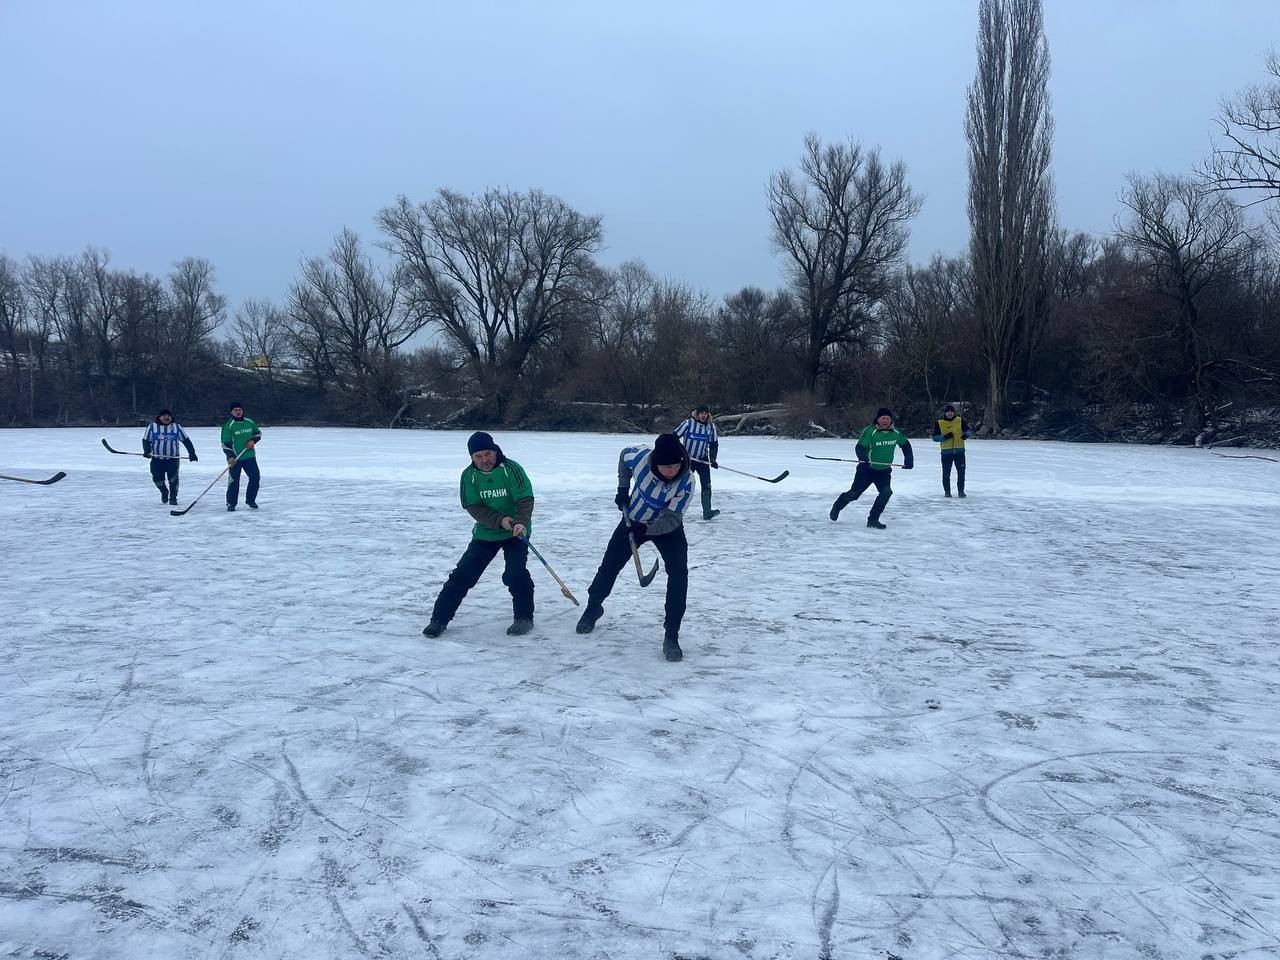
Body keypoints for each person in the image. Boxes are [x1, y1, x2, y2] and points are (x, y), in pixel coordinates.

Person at [576, 433, 695, 662]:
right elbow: (623, 457)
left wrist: (645, 530)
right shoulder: (641, 458)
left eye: (675, 466)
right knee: (609, 566)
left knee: (679, 574)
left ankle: (671, 634)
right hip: (632, 519)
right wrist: (623, 487)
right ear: (655, 462)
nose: (671, 471)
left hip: (667, 529)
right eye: (665, 467)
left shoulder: (687, 481)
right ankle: (593, 607)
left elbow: (671, 519)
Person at [423, 432, 536, 638]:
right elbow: (473, 507)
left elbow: (525, 498)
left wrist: (520, 521)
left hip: (516, 532)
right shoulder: (469, 476)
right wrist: (499, 520)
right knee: (462, 575)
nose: (484, 460)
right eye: (478, 456)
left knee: (515, 574)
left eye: (488, 454)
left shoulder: (511, 469)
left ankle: (524, 618)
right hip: (486, 532)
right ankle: (438, 620)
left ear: (495, 451)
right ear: (472, 457)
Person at [829, 407, 913, 529]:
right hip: (866, 470)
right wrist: (863, 458)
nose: (885, 421)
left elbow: (905, 445)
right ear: (878, 419)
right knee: (854, 494)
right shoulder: (870, 431)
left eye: (887, 418)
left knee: (886, 493)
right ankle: (838, 504)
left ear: (891, 420)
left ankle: (873, 520)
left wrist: (909, 460)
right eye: (882, 418)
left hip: (884, 471)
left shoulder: (896, 432)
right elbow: (860, 447)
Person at [142, 408, 197, 505]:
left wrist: (192, 453)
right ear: (159, 417)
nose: (166, 417)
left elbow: (186, 441)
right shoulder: (152, 427)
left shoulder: (177, 427)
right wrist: (147, 451)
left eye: (168, 416)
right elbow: (146, 440)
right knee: (157, 478)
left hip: (173, 459)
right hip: (157, 459)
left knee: (173, 479)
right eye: (164, 416)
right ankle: (164, 491)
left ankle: (173, 497)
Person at [674, 404, 720, 519]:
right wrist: (678, 452)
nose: (703, 415)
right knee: (681, 484)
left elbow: (713, 444)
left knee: (706, 485)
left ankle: (707, 511)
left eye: (705, 413)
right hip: (688, 460)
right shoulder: (688, 423)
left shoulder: (711, 427)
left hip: (702, 460)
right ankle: (673, 510)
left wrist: (713, 458)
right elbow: (674, 437)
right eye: (702, 413)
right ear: (697, 414)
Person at [221, 401, 262, 511]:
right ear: (231, 412)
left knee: (255, 477)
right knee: (234, 481)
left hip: (249, 456)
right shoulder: (228, 425)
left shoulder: (249, 422)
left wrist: (253, 440)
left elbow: (258, 433)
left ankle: (250, 500)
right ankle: (231, 503)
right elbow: (225, 444)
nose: (238, 412)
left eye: (240, 410)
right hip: (235, 458)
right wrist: (230, 456)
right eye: (236, 410)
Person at [932, 403, 974, 498]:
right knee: (946, 474)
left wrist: (966, 435)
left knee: (961, 473)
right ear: (945, 413)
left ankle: (961, 492)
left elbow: (969, 431)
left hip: (959, 452)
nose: (950, 413)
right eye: (948, 412)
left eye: (951, 411)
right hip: (946, 453)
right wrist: (945, 437)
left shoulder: (959, 420)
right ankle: (947, 492)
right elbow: (934, 438)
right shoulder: (939, 422)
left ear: (954, 412)